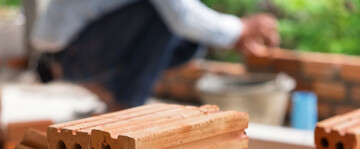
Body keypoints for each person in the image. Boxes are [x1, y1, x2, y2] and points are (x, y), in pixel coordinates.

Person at [32, 0, 279, 109]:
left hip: (78, 49)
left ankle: (115, 93)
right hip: (69, 52)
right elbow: (182, 16)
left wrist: (235, 34)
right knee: (166, 19)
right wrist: (241, 28)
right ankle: (124, 108)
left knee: (192, 39)